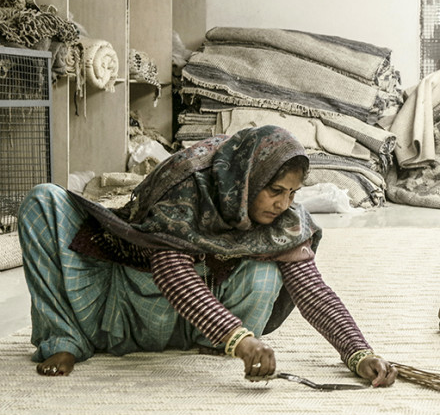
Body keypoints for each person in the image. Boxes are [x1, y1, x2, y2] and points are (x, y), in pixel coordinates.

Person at [18, 125, 397, 386]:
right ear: (247, 178)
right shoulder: (187, 182)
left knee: (266, 274)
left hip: (204, 328)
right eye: (275, 191)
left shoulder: (285, 217)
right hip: (125, 307)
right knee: (43, 200)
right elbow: (172, 273)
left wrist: (358, 353)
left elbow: (312, 290)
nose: (284, 204)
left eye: (292, 193)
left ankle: (220, 343)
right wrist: (243, 340)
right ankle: (65, 340)